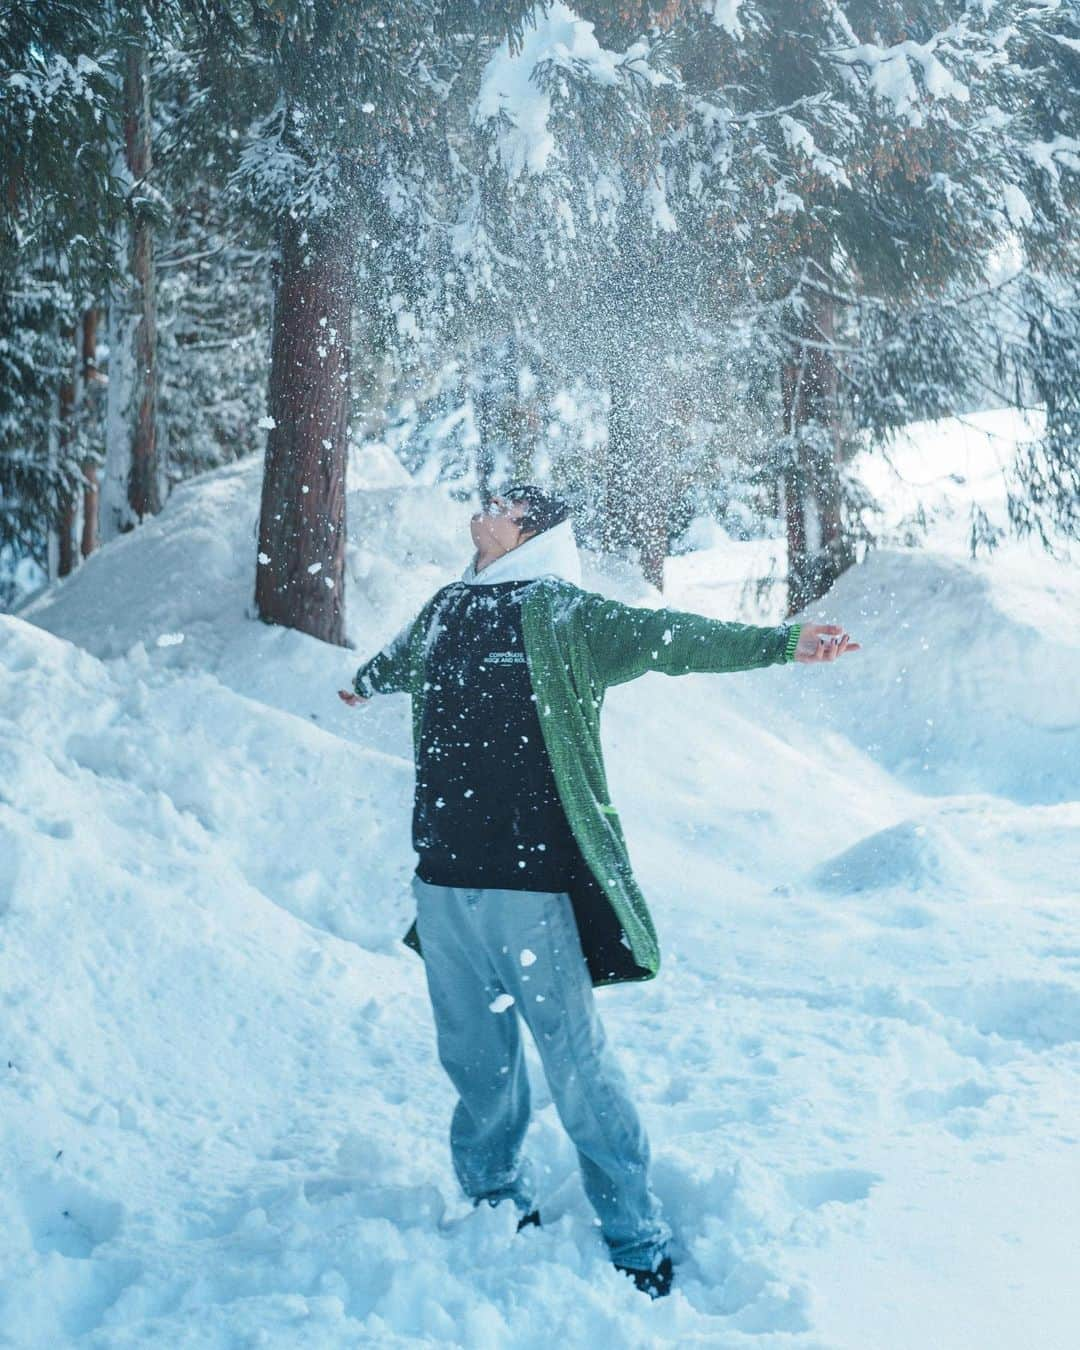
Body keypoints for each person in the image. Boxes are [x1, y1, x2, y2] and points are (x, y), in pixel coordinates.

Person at [338, 485, 859, 1299]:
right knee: (475, 1069)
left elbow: (672, 638)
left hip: (529, 892)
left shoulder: (563, 615)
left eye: (505, 504)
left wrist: (785, 644)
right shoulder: (446, 608)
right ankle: (493, 1202)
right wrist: (363, 681)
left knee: (576, 1067)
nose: (486, 506)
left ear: (534, 532)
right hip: (441, 885)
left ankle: (634, 1233)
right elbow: (400, 658)